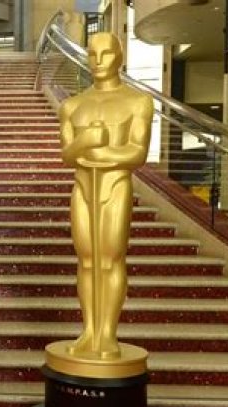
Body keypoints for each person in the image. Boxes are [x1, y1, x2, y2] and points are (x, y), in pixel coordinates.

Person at [58, 32, 153, 360]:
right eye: (92, 54)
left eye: (106, 54)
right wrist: (86, 142)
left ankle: (108, 333)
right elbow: (68, 155)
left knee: (111, 258)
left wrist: (98, 153)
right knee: (86, 260)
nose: (98, 62)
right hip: (83, 186)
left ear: (120, 57)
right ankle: (89, 330)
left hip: (115, 185)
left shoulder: (138, 102)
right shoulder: (72, 105)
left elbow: (137, 152)